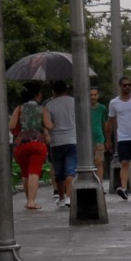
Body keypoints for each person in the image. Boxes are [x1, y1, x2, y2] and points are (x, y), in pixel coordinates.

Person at [9, 82, 48, 210]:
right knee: (34, 172)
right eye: (40, 93)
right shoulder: (42, 109)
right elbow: (49, 125)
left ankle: (28, 200)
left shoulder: (19, 109)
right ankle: (32, 201)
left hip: (21, 146)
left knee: (25, 173)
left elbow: (11, 126)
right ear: (36, 95)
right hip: (37, 145)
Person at [42, 79, 80, 208]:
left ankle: (61, 197)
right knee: (70, 170)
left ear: (53, 91)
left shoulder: (49, 105)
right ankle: (69, 197)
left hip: (56, 142)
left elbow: (48, 125)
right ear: (66, 90)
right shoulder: (74, 102)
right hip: (72, 140)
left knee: (59, 172)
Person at [88, 86, 108, 194]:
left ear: (98, 96)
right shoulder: (84, 108)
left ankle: (100, 185)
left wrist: (107, 138)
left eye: (95, 95)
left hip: (99, 138)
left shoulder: (102, 108)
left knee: (99, 162)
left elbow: (105, 123)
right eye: (91, 95)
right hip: (86, 140)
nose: (93, 97)